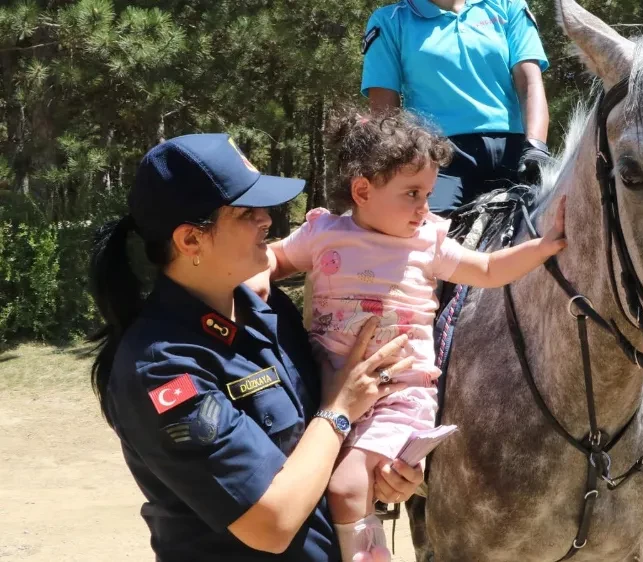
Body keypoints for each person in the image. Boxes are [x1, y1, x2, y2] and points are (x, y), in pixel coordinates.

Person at [87, 133, 424, 561]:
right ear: (191, 241)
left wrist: (379, 469)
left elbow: (312, 452)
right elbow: (271, 523)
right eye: (246, 212)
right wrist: (339, 412)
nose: (268, 219)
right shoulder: (163, 369)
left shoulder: (266, 308)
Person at [264, 111, 568, 562]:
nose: (425, 207)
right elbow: (275, 259)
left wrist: (542, 247)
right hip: (324, 387)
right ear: (362, 191)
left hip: (398, 395)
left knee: (348, 485)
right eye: (411, 194)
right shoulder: (324, 233)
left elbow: (486, 269)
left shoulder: (428, 242)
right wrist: (256, 277)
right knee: (318, 484)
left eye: (428, 193)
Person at [360, 0, 551, 214]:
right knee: (423, 236)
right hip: (437, 156)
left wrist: (536, 147)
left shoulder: (508, 5)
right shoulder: (389, 20)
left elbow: (530, 85)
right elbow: (385, 114)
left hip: (516, 152)